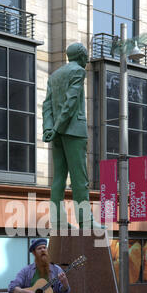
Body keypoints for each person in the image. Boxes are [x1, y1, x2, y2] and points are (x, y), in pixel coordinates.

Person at [42, 42, 92, 229]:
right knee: (80, 179)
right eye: (86, 55)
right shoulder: (78, 71)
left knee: (59, 178)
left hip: (57, 133)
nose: (87, 59)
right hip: (73, 131)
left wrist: (49, 129)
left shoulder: (54, 76)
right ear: (81, 55)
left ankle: (58, 220)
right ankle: (85, 222)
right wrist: (58, 127)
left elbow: (47, 105)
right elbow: (71, 102)